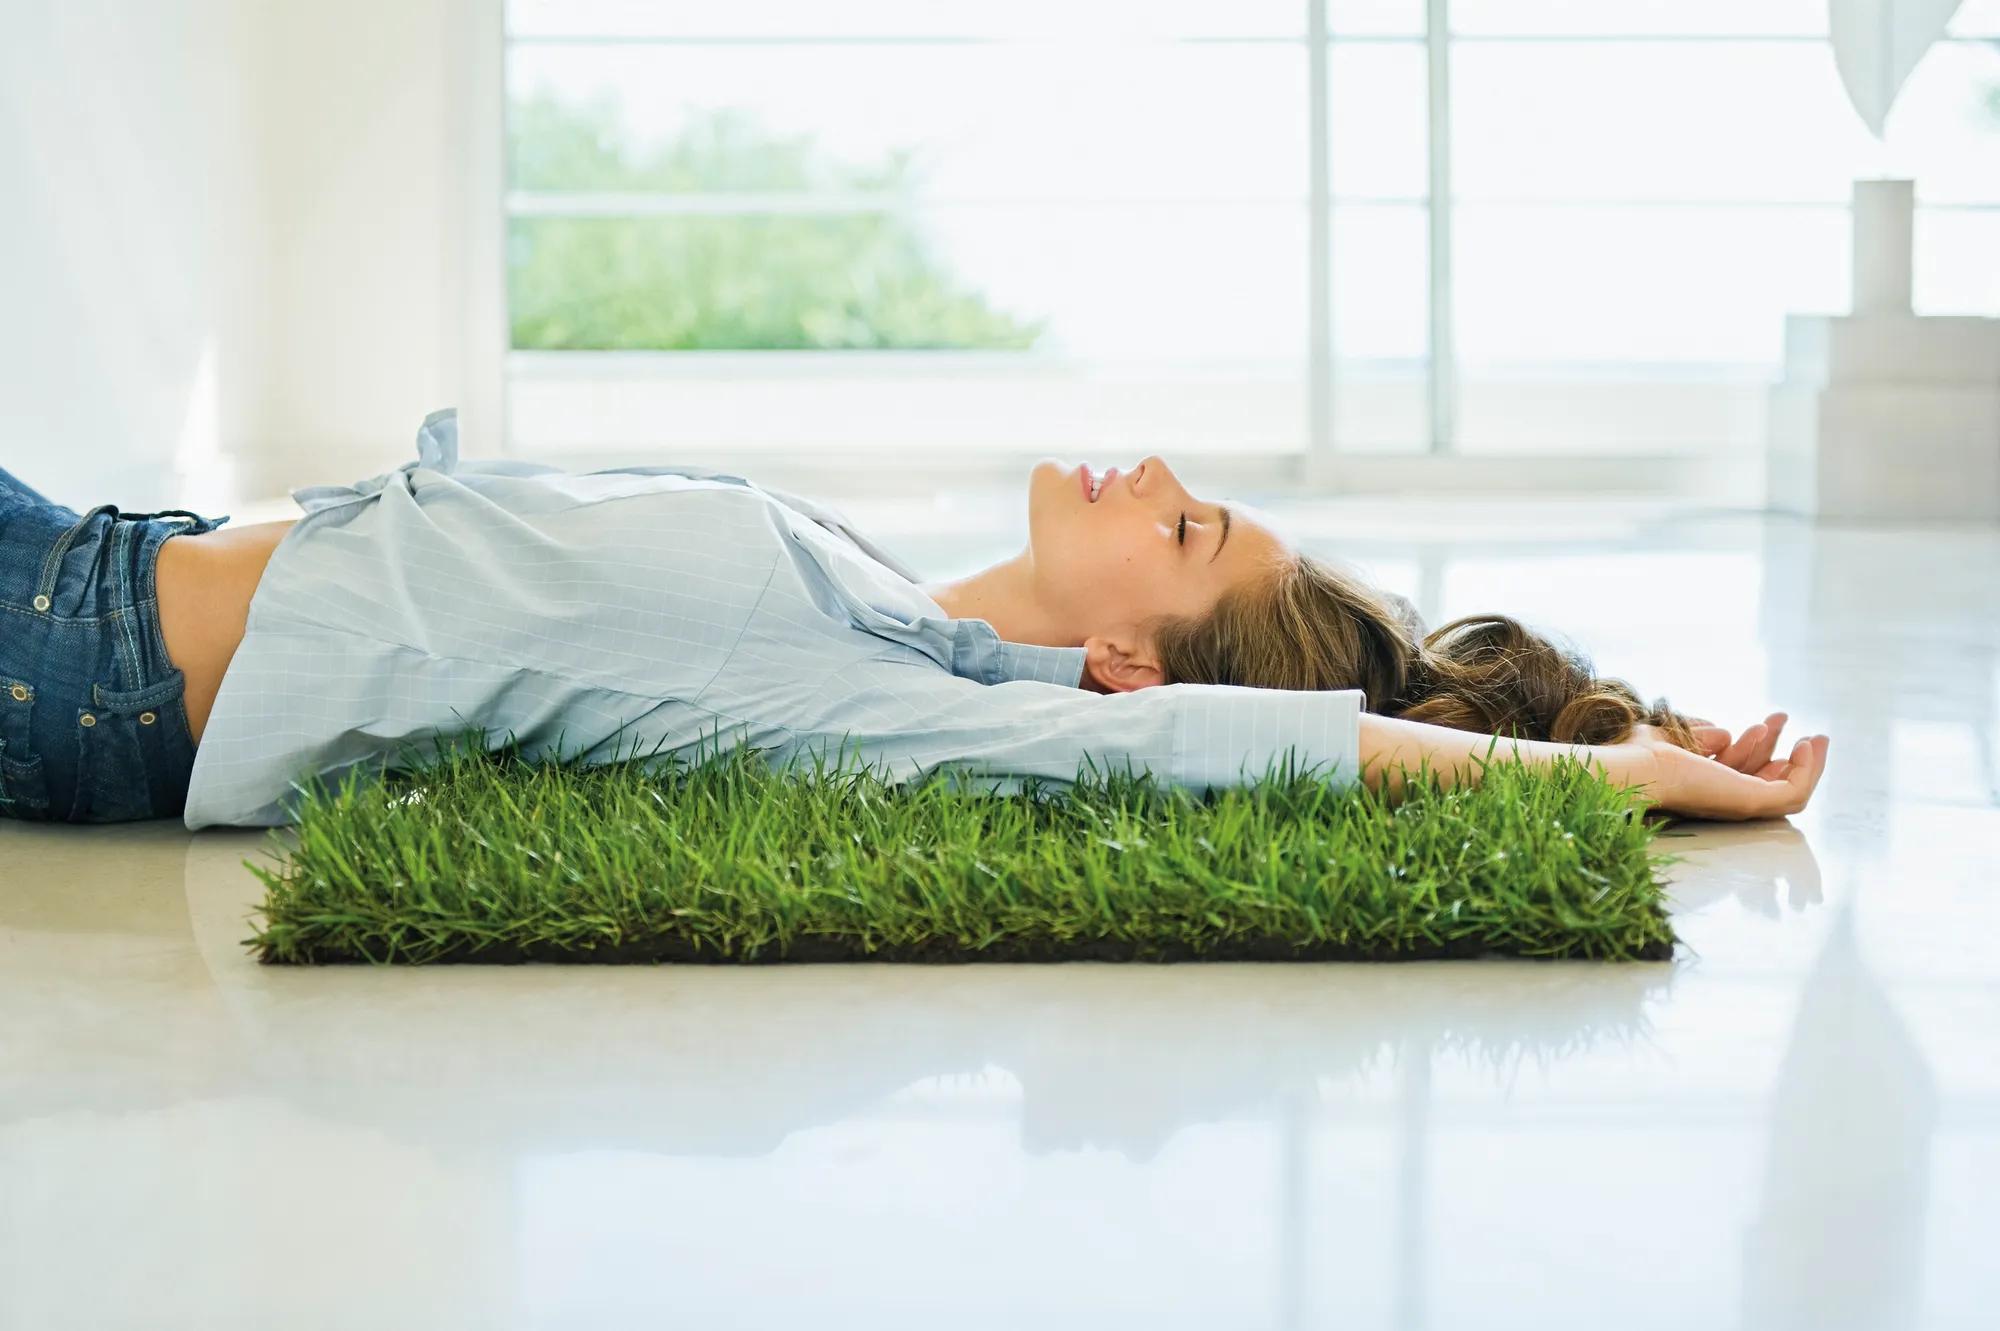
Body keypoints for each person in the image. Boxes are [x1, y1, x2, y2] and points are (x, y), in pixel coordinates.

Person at [0, 409, 1826, 829]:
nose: (1152, 472)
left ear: (1137, 669)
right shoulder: (884, 599)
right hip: (100, 555)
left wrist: (1627, 773)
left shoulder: (874, 690)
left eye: (1186, 528)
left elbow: (1226, 743)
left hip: (75, 660)